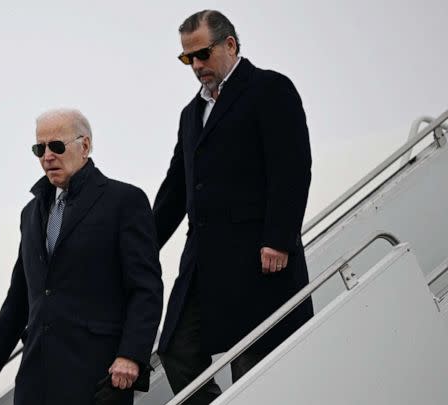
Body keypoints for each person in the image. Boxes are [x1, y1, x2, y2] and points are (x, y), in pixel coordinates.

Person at [153, 10, 314, 404]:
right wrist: (142, 243)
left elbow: (292, 167)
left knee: (253, 362)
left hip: (258, 255)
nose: (196, 65)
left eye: (203, 54)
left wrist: (278, 238)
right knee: (176, 347)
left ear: (230, 44)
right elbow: (176, 188)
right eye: (187, 58)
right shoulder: (191, 114)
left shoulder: (269, 88)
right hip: (203, 258)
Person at [0, 109, 163, 405]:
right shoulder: (31, 214)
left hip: (97, 375)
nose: (47, 156)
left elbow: (146, 288)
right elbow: (19, 300)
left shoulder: (124, 201)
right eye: (40, 149)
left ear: (85, 146)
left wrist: (131, 354)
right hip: (36, 377)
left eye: (57, 146)